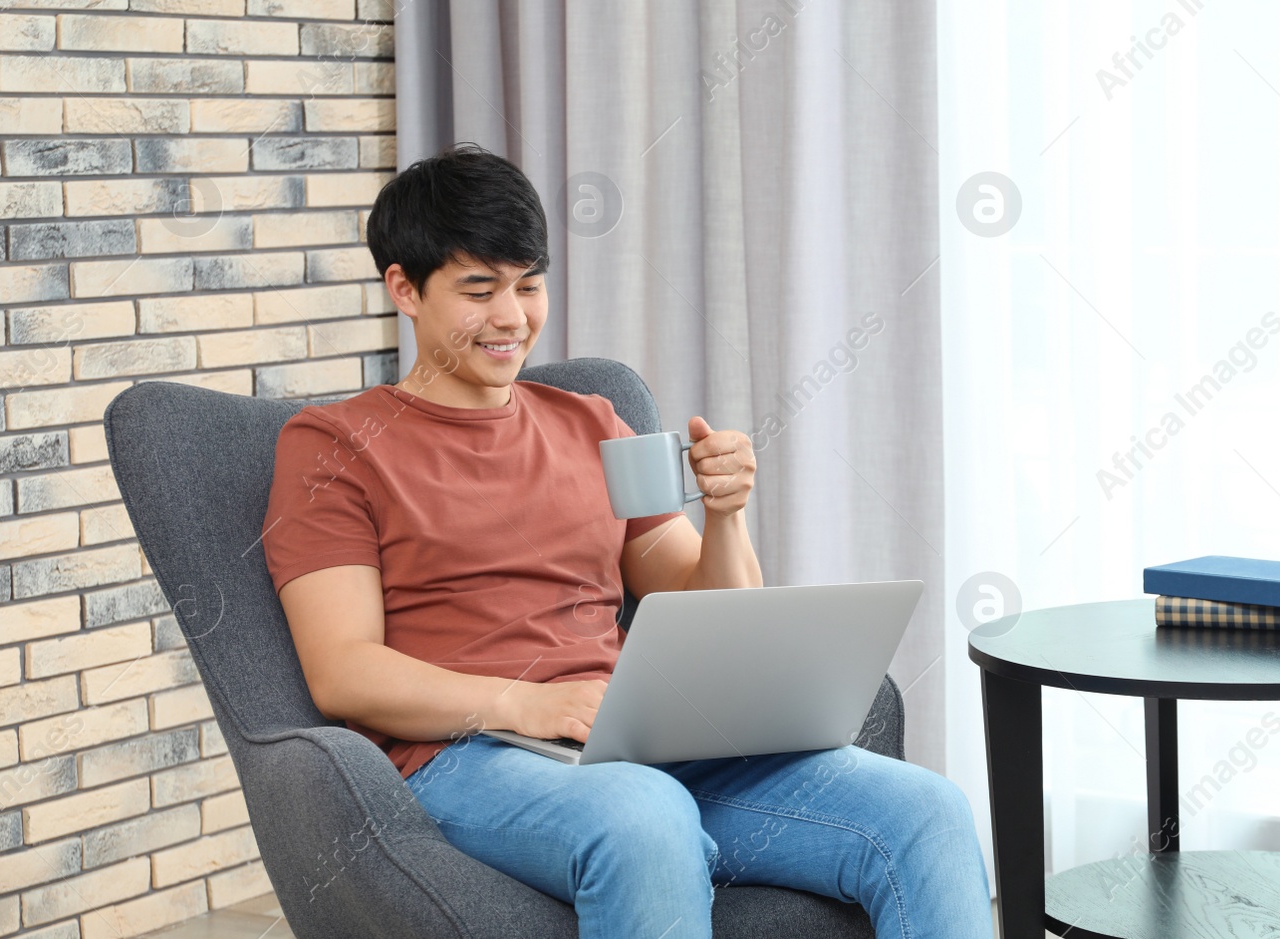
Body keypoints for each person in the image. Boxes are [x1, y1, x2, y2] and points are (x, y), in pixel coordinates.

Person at [262, 142, 993, 938]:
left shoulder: (594, 423)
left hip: (632, 741)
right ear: (404, 287)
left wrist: (726, 512)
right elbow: (342, 670)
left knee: (927, 809)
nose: (512, 318)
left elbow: (710, 610)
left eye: (529, 286)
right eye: (480, 290)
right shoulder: (331, 445)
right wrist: (529, 703)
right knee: (643, 817)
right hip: (465, 754)